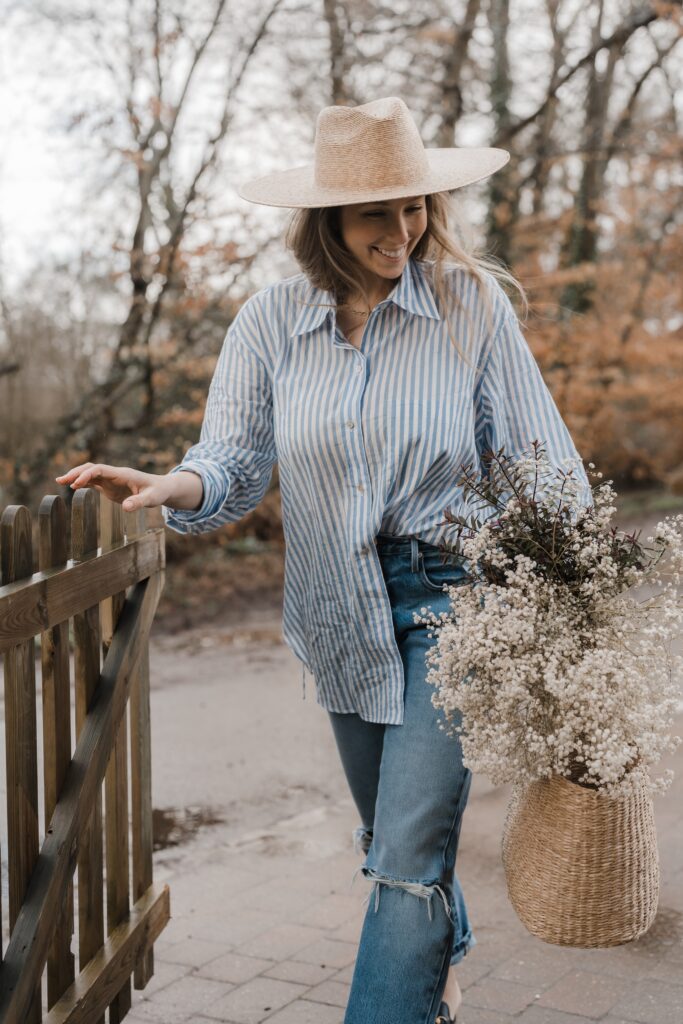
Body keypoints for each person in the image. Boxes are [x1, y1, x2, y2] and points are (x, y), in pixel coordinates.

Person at [57, 96, 591, 1024]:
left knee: (404, 856)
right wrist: (166, 486)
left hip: (453, 604)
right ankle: (438, 957)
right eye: (376, 212)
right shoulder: (269, 324)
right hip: (334, 608)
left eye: (414, 205)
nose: (402, 229)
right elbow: (230, 458)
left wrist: (576, 594)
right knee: (392, 837)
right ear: (327, 223)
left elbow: (541, 461)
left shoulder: (470, 310)